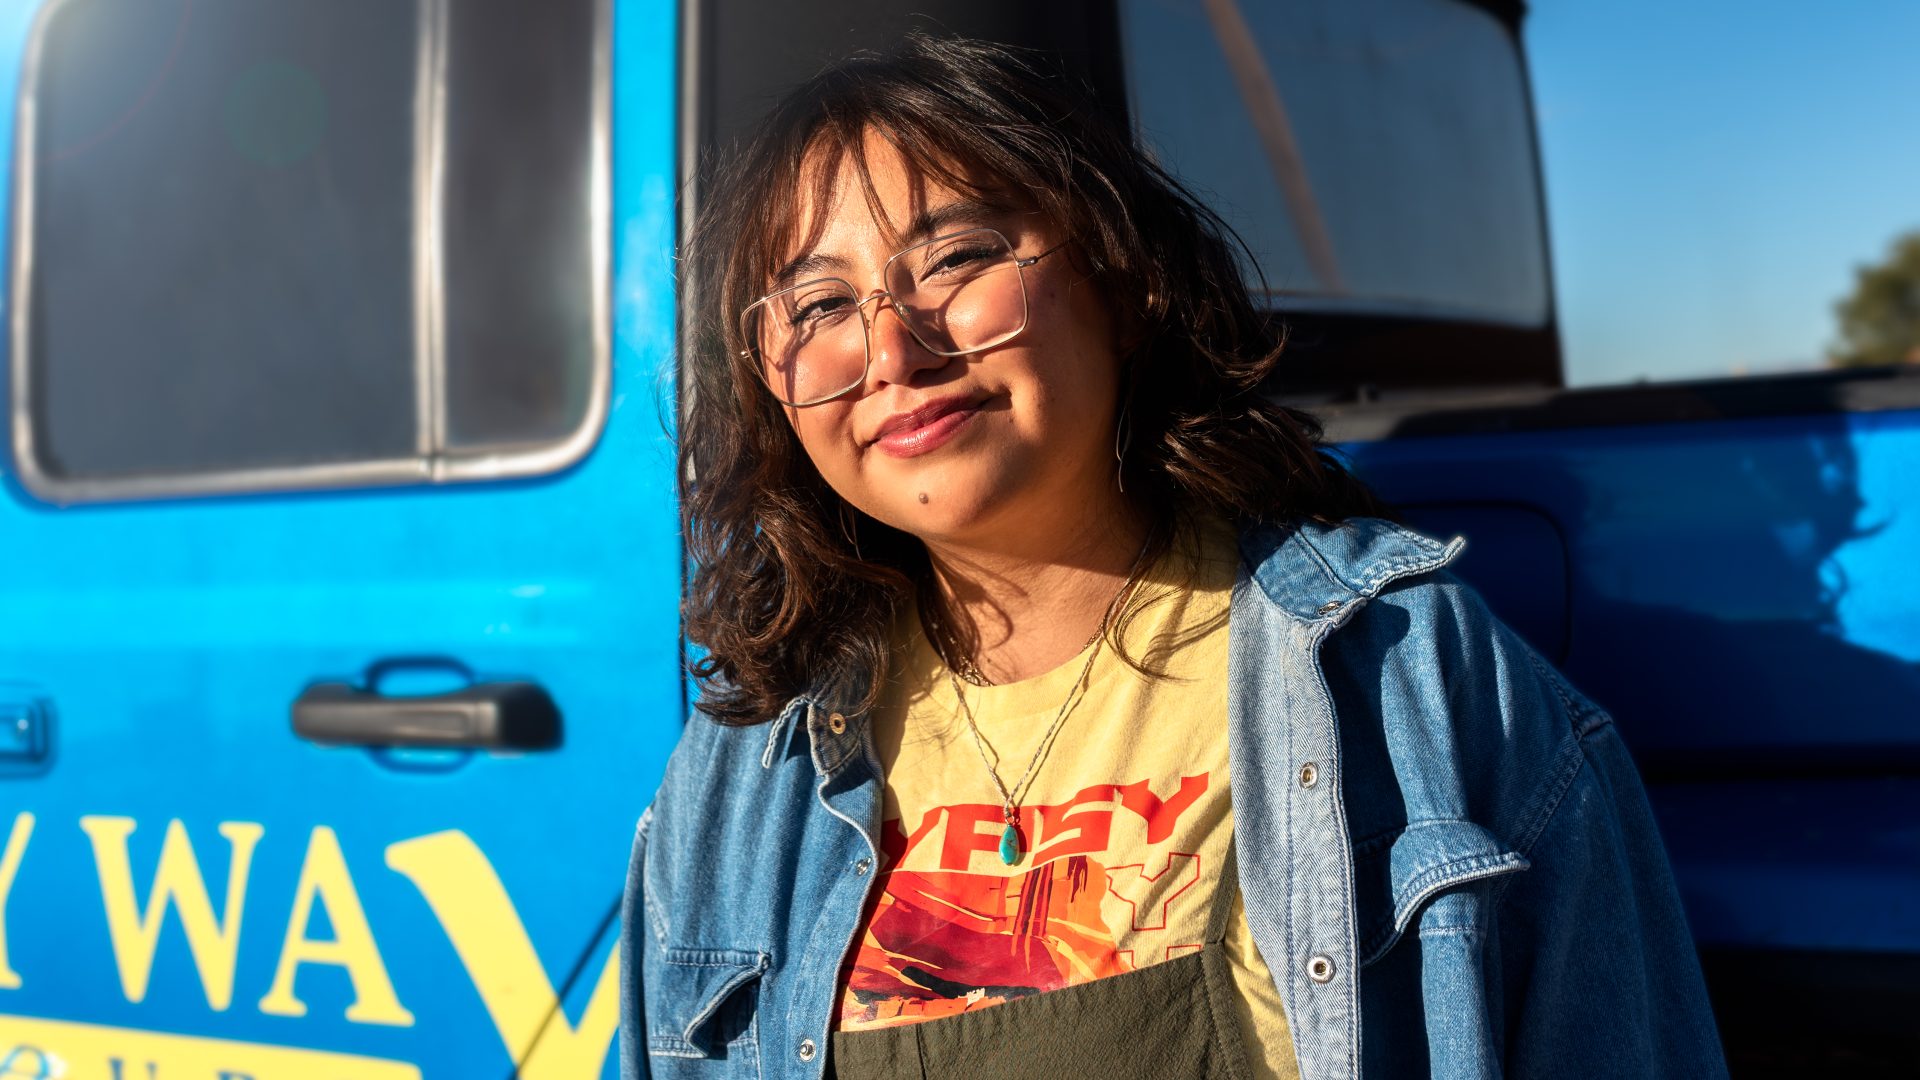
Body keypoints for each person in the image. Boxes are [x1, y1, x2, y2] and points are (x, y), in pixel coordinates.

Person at [620, 33, 1726, 1080]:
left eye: (955, 258)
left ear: (1122, 278)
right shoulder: (738, 781)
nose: (894, 351)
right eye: (819, 305)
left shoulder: (1410, 682)